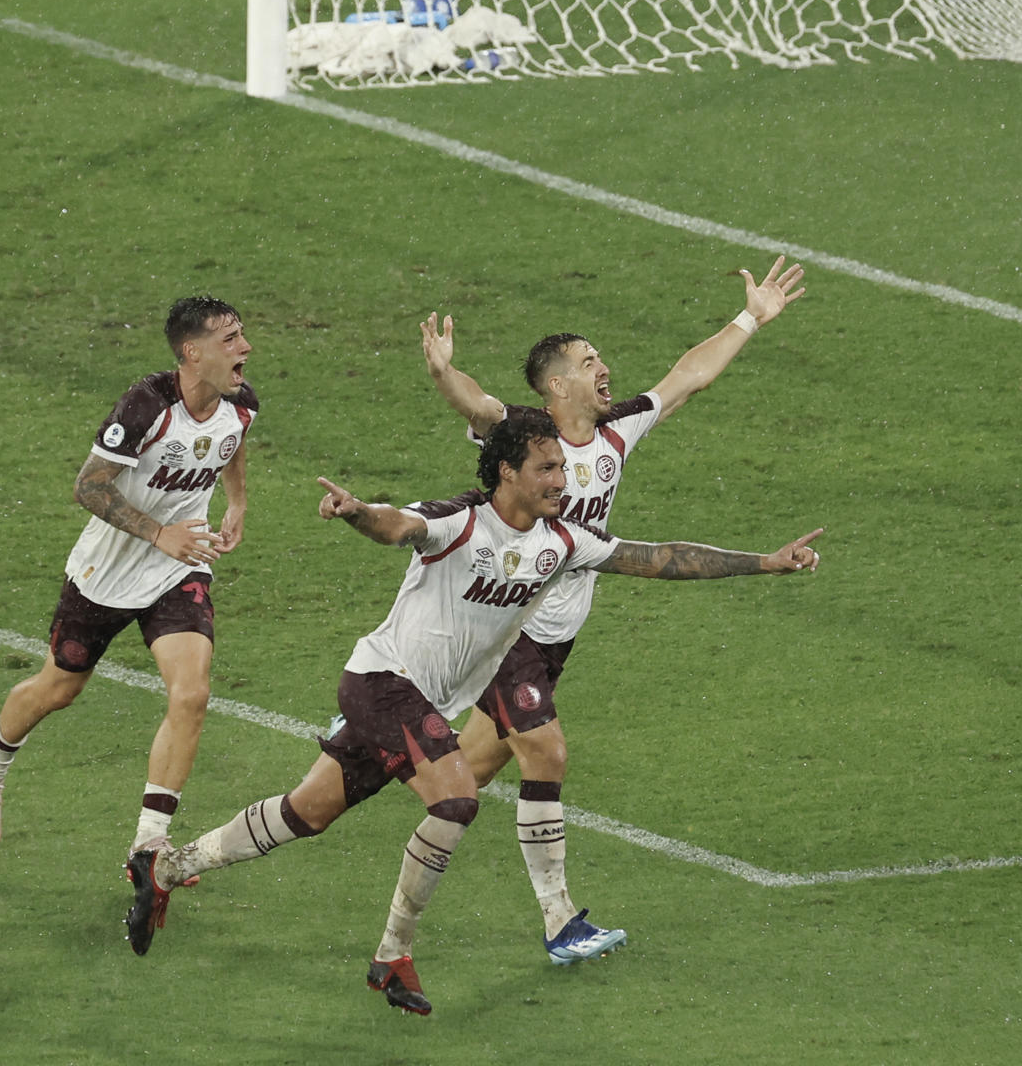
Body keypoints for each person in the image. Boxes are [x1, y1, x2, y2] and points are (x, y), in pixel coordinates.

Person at [125, 409, 823, 1016]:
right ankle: (392, 956)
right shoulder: (461, 521)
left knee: (307, 813)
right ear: (509, 473)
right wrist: (356, 512)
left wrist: (763, 562)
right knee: (457, 800)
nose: (563, 481)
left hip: (415, 701)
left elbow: (659, 557)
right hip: (381, 682)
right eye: (549, 468)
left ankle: (167, 867)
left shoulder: (563, 543)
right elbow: (399, 526)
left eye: (564, 469)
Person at [411, 255, 805, 962]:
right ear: (558, 383)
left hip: (556, 639)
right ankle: (561, 923)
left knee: (457, 782)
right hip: (508, 626)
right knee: (547, 751)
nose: (605, 367)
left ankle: (361, 745)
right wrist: (444, 372)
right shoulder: (528, 436)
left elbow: (688, 377)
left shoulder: (617, 431)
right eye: (590, 360)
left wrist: (750, 318)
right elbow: (478, 405)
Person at [0, 296, 255, 858]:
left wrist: (237, 501)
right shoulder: (147, 405)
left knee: (191, 693)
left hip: (179, 568)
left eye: (242, 335)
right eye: (230, 339)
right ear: (191, 353)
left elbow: (233, 441)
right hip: (108, 571)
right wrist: (157, 533)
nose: (245, 348)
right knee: (60, 687)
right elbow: (89, 487)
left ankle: (150, 844)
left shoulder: (241, 403)